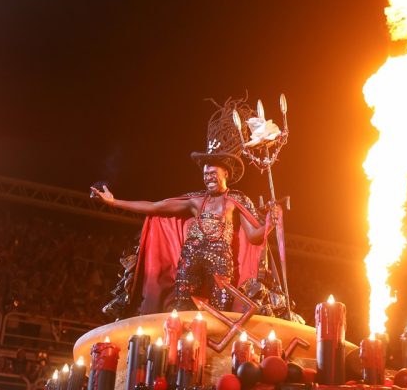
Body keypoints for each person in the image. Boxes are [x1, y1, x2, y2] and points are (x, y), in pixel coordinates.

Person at [93, 98, 279, 314]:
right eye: (205, 174)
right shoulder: (195, 201)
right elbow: (155, 207)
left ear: (225, 173)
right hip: (190, 256)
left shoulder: (237, 201)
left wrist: (270, 224)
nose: (208, 177)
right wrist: (114, 202)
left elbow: (255, 237)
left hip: (221, 261)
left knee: (221, 309)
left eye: (213, 173)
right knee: (182, 305)